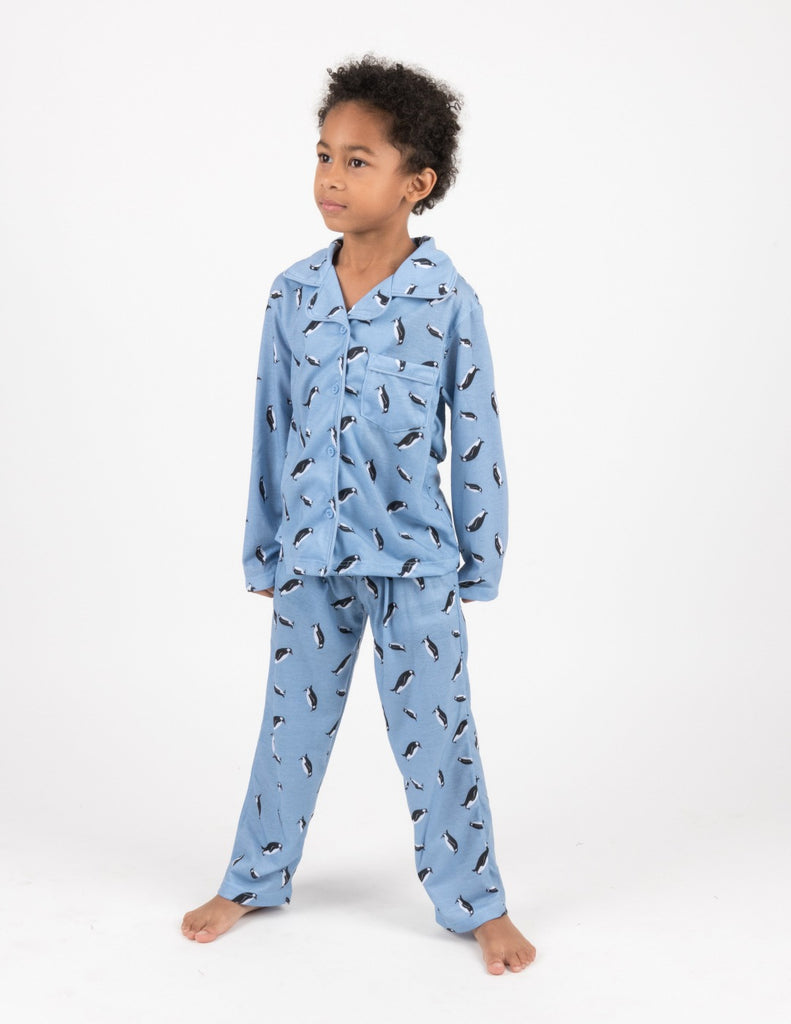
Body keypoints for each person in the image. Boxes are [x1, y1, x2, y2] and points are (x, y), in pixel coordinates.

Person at [181, 55, 536, 976]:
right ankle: (253, 878)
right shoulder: (292, 293)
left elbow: (478, 435)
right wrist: (265, 549)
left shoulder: (447, 300)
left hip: (416, 565)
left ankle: (477, 903)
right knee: (287, 730)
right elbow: (270, 423)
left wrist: (479, 558)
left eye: (356, 160)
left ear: (416, 182)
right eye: (323, 156)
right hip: (309, 558)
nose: (330, 178)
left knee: (439, 735)